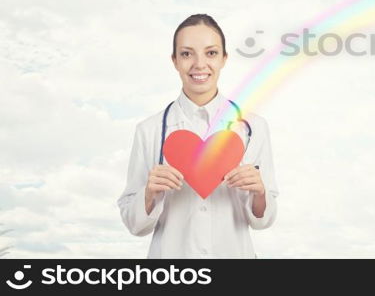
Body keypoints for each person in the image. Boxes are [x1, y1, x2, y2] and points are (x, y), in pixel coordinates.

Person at [117, 14, 279, 258]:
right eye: (186, 54)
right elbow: (134, 224)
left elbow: (261, 221)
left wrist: (260, 192)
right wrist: (149, 194)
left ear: (224, 59)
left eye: (211, 53)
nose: (199, 64)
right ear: (174, 61)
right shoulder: (149, 130)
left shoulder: (252, 127)